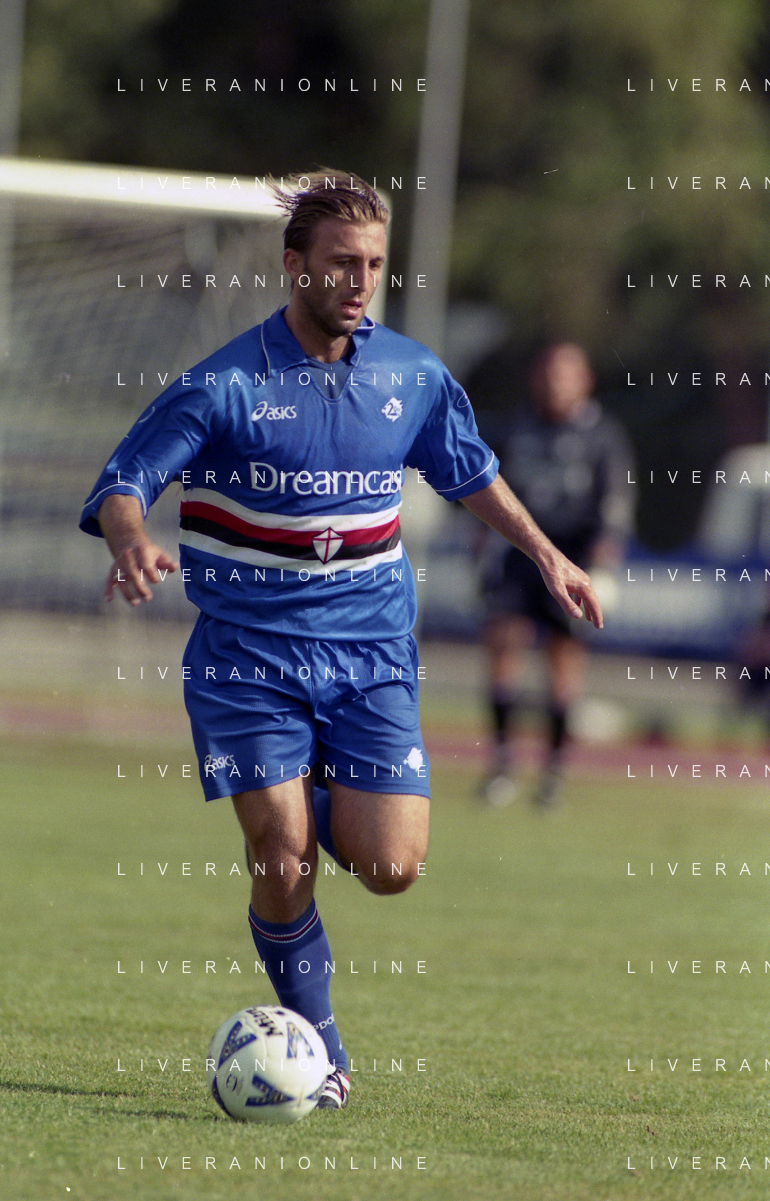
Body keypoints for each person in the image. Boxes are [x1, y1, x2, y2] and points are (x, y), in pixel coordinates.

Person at [79, 172, 603, 1110]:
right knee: (282, 852)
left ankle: (310, 787)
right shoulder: (225, 384)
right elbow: (124, 481)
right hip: (249, 658)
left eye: (374, 265)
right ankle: (322, 1045)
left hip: (371, 658)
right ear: (295, 267)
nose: (361, 282)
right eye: (342, 263)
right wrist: (131, 540)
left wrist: (546, 552)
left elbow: (470, 473)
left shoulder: (411, 375)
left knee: (393, 867)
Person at [477, 342, 633, 808]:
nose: (554, 383)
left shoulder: (603, 435)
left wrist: (602, 560)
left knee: (562, 662)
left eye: (565, 374)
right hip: (517, 555)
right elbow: (485, 489)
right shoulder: (515, 427)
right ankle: (502, 766)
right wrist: (480, 546)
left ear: (585, 381)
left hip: (572, 557)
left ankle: (553, 774)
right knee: (504, 648)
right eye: (548, 372)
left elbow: (616, 501)